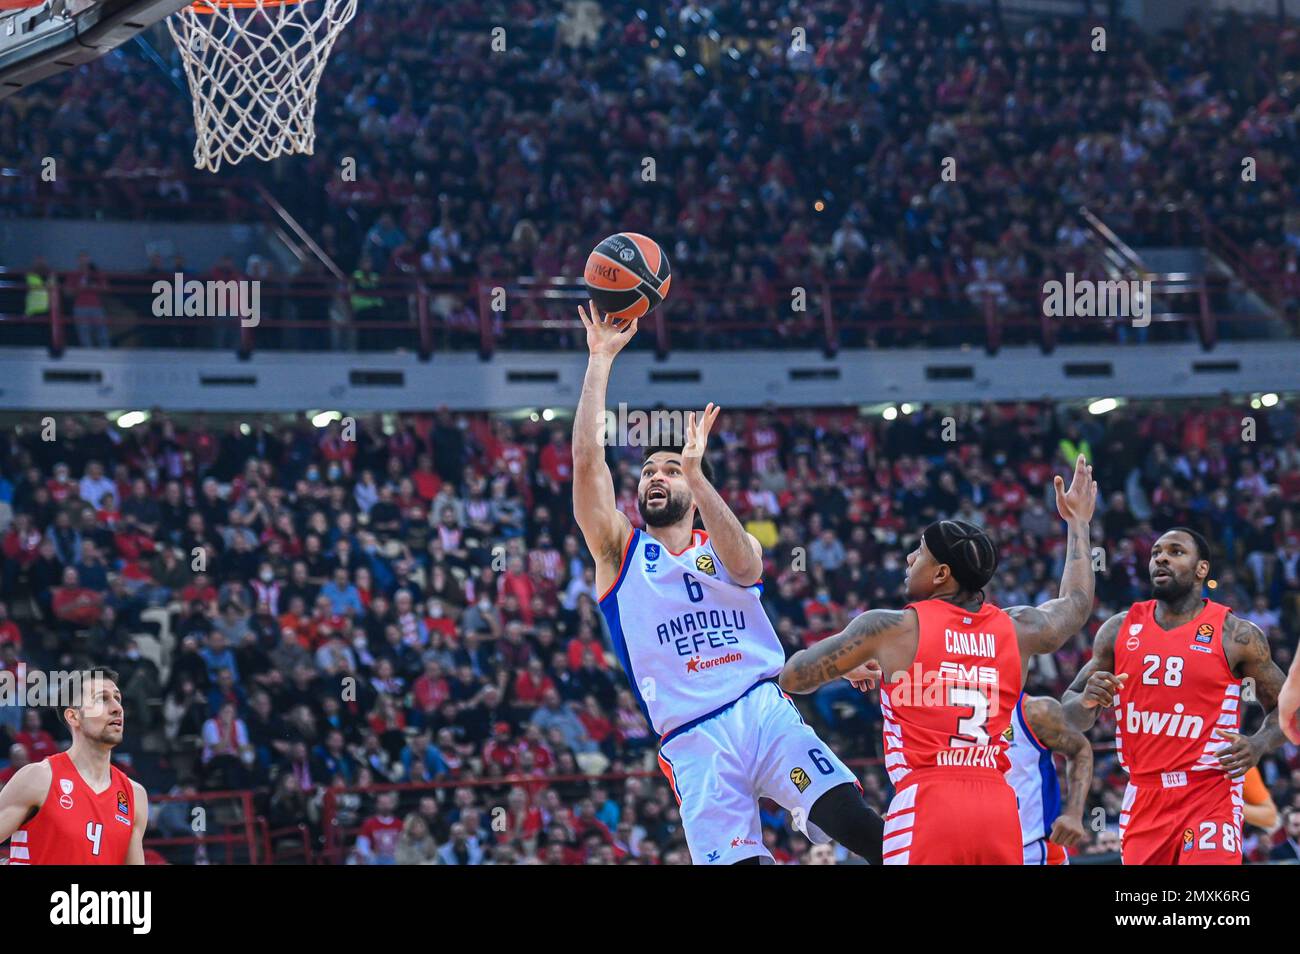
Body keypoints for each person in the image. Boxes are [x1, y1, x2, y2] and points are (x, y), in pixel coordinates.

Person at [572, 302, 883, 866]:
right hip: (692, 740)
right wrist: (599, 361)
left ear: (696, 487)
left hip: (761, 709)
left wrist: (696, 474)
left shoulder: (724, 546)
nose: (656, 477)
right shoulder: (621, 552)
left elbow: (746, 569)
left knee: (857, 824)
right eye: (648, 472)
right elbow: (587, 460)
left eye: (671, 469)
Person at [779, 454, 1097, 865]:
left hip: (928, 803)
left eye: (920, 553)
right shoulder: (1019, 629)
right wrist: (1078, 523)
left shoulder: (888, 628)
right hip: (999, 808)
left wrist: (846, 663)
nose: (910, 559)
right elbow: (1076, 603)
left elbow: (793, 677)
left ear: (942, 573)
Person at [1062, 527, 1289, 865]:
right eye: (1155, 553)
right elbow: (1069, 716)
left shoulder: (1236, 634)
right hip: (1143, 794)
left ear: (1202, 569)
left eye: (1175, 551)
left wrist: (1258, 744)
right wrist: (1087, 701)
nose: (1161, 558)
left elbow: (1290, 709)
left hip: (1209, 790)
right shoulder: (1118, 629)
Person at [0, 671, 148, 864]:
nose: (117, 708)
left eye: (117, 698)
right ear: (73, 716)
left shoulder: (135, 795)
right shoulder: (38, 778)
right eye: (102, 699)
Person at [1003, 693, 1092, 865]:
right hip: (971, 846)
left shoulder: (1034, 710)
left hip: (1031, 850)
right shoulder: (945, 710)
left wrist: (1074, 813)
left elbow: (1080, 749)